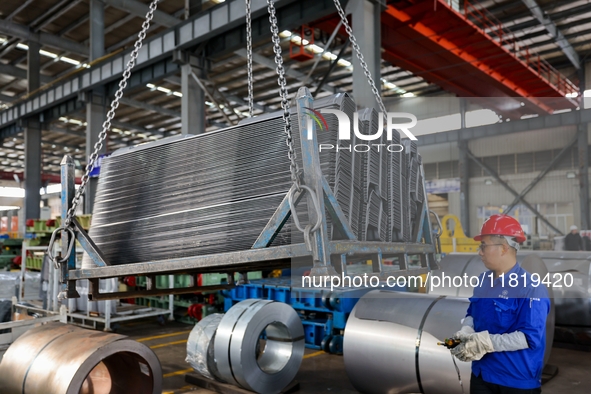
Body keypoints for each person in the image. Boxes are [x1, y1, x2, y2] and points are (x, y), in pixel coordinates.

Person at [450, 214, 550, 394]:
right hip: (481, 375)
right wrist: (466, 331)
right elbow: (472, 313)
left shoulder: (531, 288)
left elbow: (529, 337)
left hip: (515, 381)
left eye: (483, 246)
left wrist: (486, 342)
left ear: (503, 248)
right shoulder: (483, 281)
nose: (480, 252)